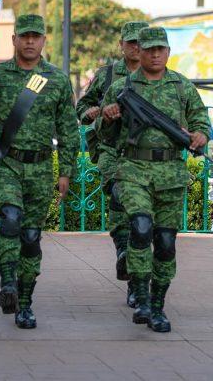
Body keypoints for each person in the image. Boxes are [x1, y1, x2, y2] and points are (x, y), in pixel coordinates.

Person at [98, 27, 211, 333]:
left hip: (171, 173)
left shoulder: (181, 87)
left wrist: (201, 134)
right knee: (140, 227)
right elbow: (104, 136)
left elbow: (202, 121)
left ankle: (158, 305)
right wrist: (108, 117)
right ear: (140, 51)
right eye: (149, 49)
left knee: (164, 242)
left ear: (168, 52)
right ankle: (141, 296)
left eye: (161, 49)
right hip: (134, 168)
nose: (155, 54)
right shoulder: (122, 87)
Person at [0, 14, 79, 329]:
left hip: (40, 167)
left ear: (44, 40)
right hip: (7, 162)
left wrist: (65, 171)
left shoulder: (57, 79)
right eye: (25, 36)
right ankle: (7, 282)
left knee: (31, 237)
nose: (30, 41)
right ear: (14, 40)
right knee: (10, 219)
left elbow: (68, 130)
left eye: (36, 36)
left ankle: (24, 303)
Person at [76, 21, 148, 307]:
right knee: (120, 196)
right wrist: (92, 113)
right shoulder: (107, 76)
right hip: (111, 150)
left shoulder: (158, 78)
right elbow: (82, 107)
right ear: (121, 45)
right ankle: (123, 252)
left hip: (142, 157)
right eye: (131, 43)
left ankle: (133, 271)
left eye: (141, 43)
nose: (136, 47)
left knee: (142, 222)